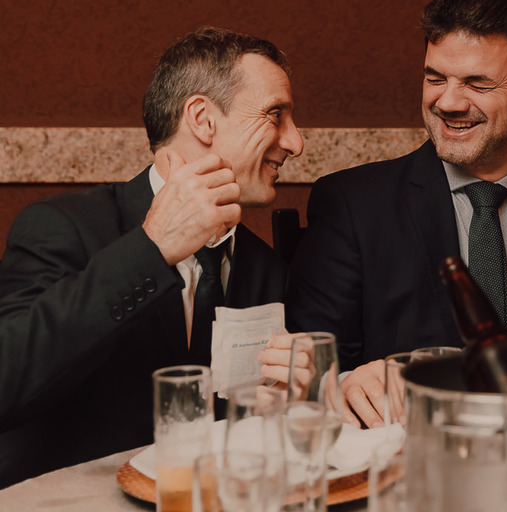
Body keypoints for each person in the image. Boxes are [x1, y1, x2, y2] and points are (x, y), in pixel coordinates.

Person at [286, 0, 507, 427]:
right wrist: (347, 382)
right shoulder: (352, 206)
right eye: (435, 78)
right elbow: (305, 370)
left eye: (476, 83)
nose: (448, 102)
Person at [0, 27, 304, 487]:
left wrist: (285, 402)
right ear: (202, 119)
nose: (295, 142)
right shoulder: (61, 227)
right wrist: (152, 248)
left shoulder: (266, 269)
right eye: (275, 115)